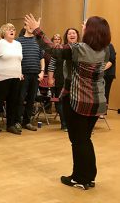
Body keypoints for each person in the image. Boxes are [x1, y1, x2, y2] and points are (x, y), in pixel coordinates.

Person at [25, 14, 111, 190]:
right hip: (98, 102)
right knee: (85, 139)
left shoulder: (78, 49)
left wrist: (36, 30)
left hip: (80, 101)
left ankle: (80, 178)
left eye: (86, 25)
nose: (83, 27)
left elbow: (53, 49)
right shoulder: (106, 50)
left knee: (78, 141)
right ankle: (88, 176)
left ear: (92, 31)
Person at [0, 23, 22, 136]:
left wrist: (20, 73)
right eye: (9, 29)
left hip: (15, 77)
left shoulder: (18, 44)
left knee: (13, 102)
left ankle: (10, 125)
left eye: (13, 29)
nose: (12, 31)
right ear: (3, 32)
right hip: (1, 78)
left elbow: (19, 60)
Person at [48, 29, 80, 132]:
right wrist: (50, 78)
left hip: (77, 80)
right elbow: (51, 65)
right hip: (61, 79)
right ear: (66, 36)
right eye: (69, 33)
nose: (71, 35)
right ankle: (65, 124)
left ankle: (75, 124)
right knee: (61, 103)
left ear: (77, 36)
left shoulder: (81, 48)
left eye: (73, 33)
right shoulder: (59, 49)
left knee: (75, 103)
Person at [15, 26, 45, 132]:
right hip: (23, 74)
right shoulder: (18, 41)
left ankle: (27, 122)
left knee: (31, 100)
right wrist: (18, 71)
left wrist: (42, 72)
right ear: (25, 27)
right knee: (20, 99)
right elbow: (15, 58)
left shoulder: (38, 41)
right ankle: (17, 122)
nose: (31, 27)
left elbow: (42, 58)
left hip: (35, 74)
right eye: (29, 25)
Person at [103, 43, 116, 113]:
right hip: (98, 73)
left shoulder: (110, 46)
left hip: (108, 73)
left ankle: (103, 111)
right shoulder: (96, 44)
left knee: (105, 91)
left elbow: (112, 60)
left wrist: (101, 69)